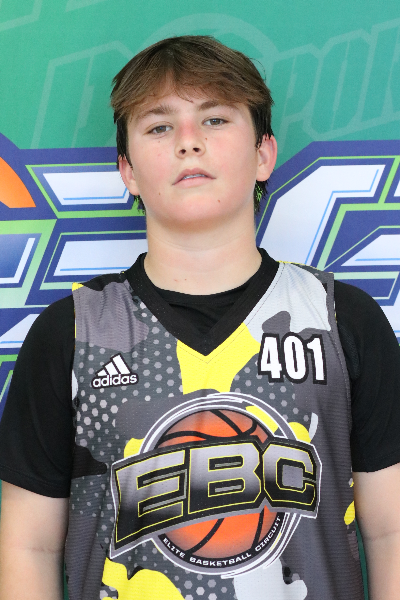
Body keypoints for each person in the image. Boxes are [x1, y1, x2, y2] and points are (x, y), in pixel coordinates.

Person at [0, 35, 399, 600]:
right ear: (128, 170)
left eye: (214, 119)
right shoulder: (73, 332)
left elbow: (390, 531)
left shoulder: (341, 320)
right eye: (159, 126)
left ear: (263, 155)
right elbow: (28, 546)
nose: (188, 141)